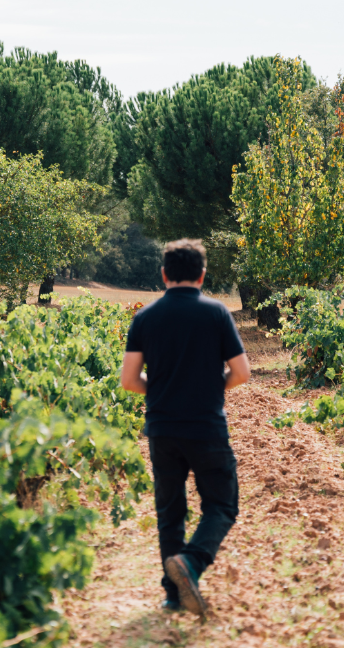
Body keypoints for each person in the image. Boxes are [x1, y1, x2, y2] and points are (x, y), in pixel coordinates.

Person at [120, 238, 250, 617]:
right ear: (203, 275)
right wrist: (211, 388)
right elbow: (241, 372)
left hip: (162, 428)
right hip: (206, 426)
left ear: (164, 275)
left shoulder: (145, 317)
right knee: (222, 505)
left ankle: (173, 597)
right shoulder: (216, 313)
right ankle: (191, 564)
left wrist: (159, 393)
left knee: (170, 512)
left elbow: (129, 380)